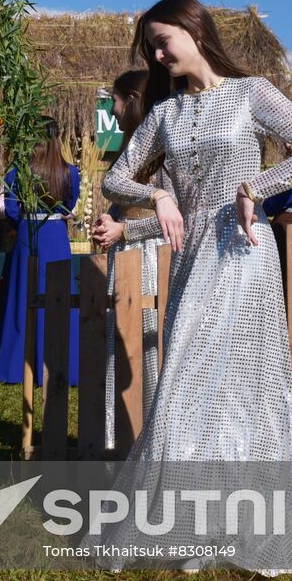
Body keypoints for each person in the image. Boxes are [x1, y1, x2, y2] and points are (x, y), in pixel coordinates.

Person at [98, 0, 292, 574]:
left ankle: (238, 528)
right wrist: (155, 195)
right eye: (150, 45)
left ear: (194, 30)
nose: (157, 52)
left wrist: (256, 187)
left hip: (246, 256)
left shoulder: (251, 93)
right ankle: (190, 528)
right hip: (194, 258)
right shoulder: (163, 116)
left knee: (240, 387)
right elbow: (116, 179)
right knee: (186, 381)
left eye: (164, 39)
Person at [91, 70, 170, 451]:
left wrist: (127, 231)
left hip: (154, 264)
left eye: (118, 101)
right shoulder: (134, 151)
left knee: (150, 354)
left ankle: (152, 447)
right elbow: (126, 202)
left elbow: (182, 216)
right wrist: (111, 219)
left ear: (135, 101)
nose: (115, 110)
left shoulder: (165, 152)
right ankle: (120, 443)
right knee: (122, 353)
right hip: (127, 263)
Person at [0, 118, 81, 387]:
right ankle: (62, 365)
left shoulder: (17, 172)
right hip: (55, 237)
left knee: (23, 296)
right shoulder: (69, 172)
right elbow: (69, 207)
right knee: (58, 299)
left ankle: (16, 368)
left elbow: (10, 211)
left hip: (27, 234)